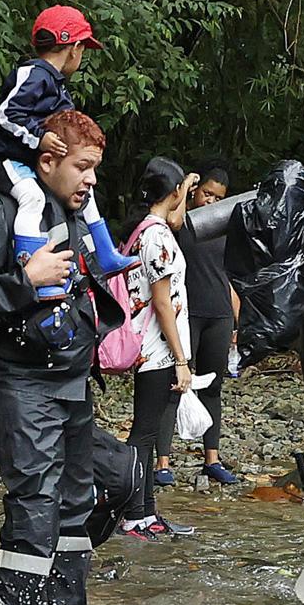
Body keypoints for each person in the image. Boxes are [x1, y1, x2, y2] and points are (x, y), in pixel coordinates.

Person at [0, 109, 125, 605]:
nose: (91, 180)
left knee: (75, 502)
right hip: (16, 382)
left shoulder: (73, 215)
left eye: (95, 168)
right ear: (47, 161)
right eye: (83, 167)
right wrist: (26, 280)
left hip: (71, 380)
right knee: (36, 502)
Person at [0, 5, 135, 298]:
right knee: (32, 199)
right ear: (74, 49)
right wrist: (39, 138)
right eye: (83, 50)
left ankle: (105, 253)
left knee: (87, 194)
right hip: (11, 161)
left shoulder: (56, 85)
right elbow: (7, 114)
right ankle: (32, 268)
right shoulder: (33, 74)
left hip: (35, 163)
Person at [117, 158, 200, 541]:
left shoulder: (149, 229)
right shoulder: (156, 237)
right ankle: (133, 515)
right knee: (144, 433)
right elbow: (163, 303)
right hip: (156, 348)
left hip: (153, 345)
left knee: (148, 433)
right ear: (174, 192)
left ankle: (147, 512)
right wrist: (181, 360)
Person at [174, 163, 238, 484]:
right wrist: (186, 186)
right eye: (207, 193)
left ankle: (212, 458)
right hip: (186, 315)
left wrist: (237, 324)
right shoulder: (181, 223)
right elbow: (173, 218)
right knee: (175, 386)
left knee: (213, 388)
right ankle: (162, 463)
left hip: (219, 314)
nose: (210, 201)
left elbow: (231, 278)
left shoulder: (224, 230)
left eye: (218, 197)